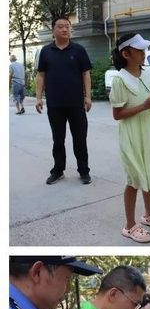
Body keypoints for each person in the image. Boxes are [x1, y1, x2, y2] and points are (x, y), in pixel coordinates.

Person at [109, 33, 150, 243]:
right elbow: (117, 114)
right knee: (134, 179)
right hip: (131, 136)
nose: (144, 54)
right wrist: (143, 106)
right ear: (126, 54)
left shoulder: (149, 73)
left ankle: (149, 215)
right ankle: (129, 225)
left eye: (144, 50)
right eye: (139, 50)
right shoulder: (119, 80)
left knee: (149, 171)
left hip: (149, 132)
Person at [35, 16, 93, 185]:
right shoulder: (46, 51)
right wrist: (38, 98)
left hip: (76, 103)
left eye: (67, 26)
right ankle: (58, 170)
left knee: (80, 139)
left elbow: (86, 74)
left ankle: (84, 171)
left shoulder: (79, 50)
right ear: (53, 30)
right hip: (55, 104)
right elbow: (41, 75)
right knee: (58, 140)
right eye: (60, 27)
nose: (65, 29)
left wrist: (88, 96)